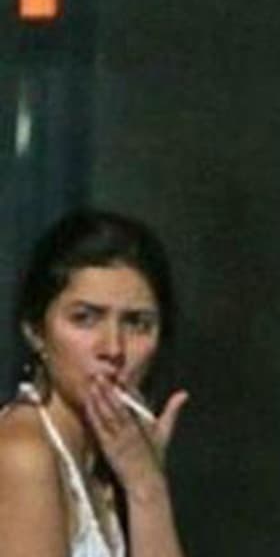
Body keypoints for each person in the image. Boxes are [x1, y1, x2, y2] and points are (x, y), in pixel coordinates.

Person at [0, 210, 188, 557]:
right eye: (85, 318)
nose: (113, 349)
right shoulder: (23, 454)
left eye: (137, 323)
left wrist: (147, 486)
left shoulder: (113, 460)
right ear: (36, 331)